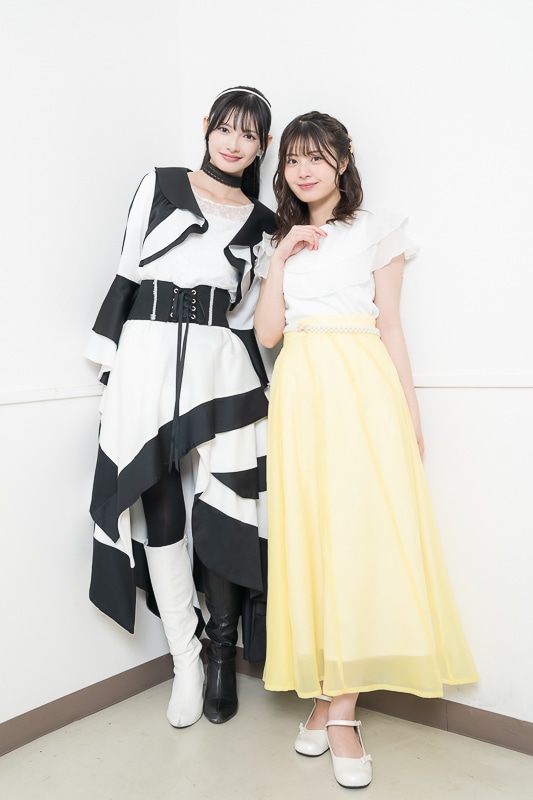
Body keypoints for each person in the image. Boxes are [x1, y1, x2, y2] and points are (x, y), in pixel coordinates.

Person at [254, 111, 478, 789]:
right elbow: (268, 335)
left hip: (361, 387)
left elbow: (392, 327)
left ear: (344, 161)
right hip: (299, 392)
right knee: (311, 541)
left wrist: (409, 411)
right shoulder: (280, 240)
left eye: (317, 157)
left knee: (355, 541)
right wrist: (280, 258)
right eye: (293, 159)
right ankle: (327, 697)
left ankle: (341, 713)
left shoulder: (376, 229)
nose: (304, 169)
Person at [85, 86, 275, 729]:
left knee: (227, 504)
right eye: (225, 128)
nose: (234, 142)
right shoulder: (161, 185)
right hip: (146, 358)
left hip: (221, 367)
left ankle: (222, 656)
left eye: (248, 135)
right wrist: (112, 369)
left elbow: (248, 317)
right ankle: (185, 660)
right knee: (159, 503)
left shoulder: (264, 223)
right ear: (207, 127)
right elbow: (126, 270)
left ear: (261, 147)